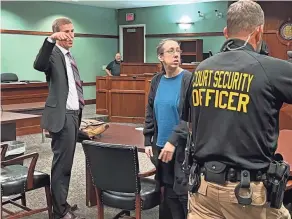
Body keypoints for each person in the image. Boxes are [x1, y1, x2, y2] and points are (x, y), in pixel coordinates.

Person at [162, 0, 292, 218]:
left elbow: (189, 121)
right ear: (258, 33)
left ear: (225, 32)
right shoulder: (270, 68)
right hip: (246, 195)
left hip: (202, 190)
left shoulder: (201, 69)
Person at [34, 17, 85, 219]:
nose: (70, 35)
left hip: (74, 116)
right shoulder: (53, 53)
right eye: (66, 32)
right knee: (62, 166)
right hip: (62, 117)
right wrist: (50, 40)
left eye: (72, 31)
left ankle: (61, 204)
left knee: (67, 165)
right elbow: (39, 65)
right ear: (57, 33)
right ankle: (59, 212)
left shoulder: (70, 56)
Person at [143, 39, 192, 219]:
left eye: (178, 51)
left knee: (182, 192)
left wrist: (174, 141)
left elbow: (191, 116)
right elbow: (150, 110)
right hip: (160, 145)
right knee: (166, 189)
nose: (176, 54)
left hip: (180, 147)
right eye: (170, 51)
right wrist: (148, 139)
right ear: (161, 57)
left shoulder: (188, 79)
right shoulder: (157, 80)